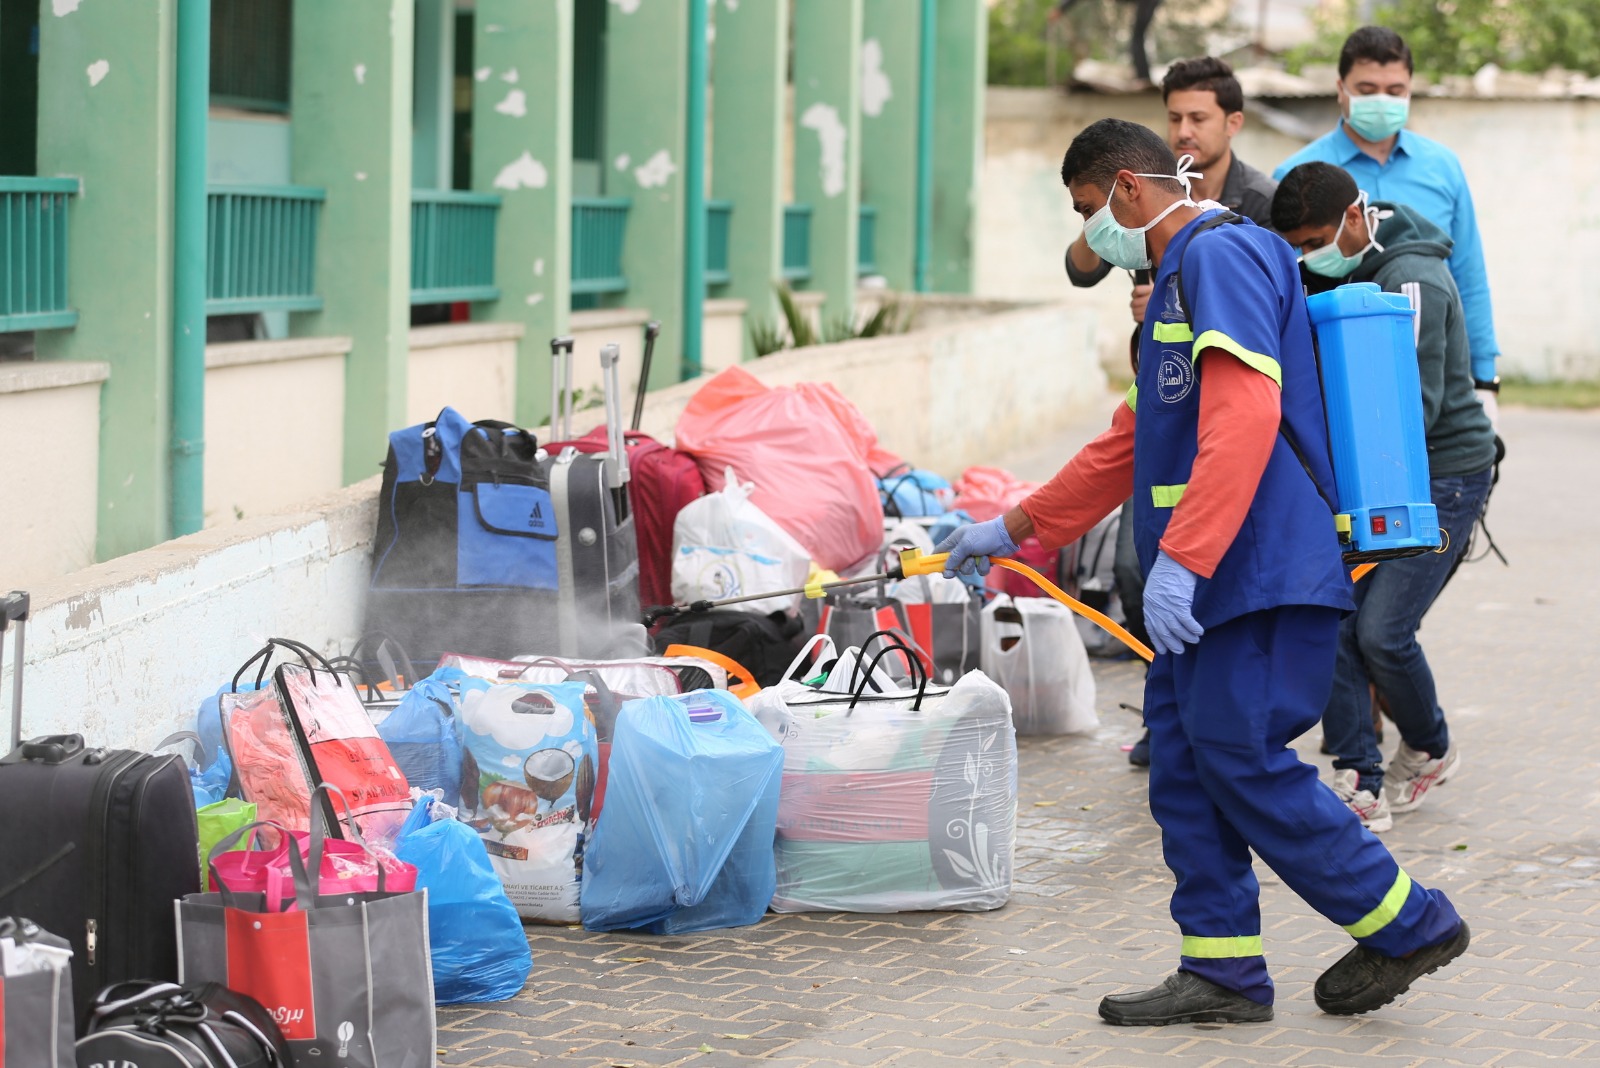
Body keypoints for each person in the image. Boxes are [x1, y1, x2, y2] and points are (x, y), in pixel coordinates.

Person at [936, 118, 1469, 1025]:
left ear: (1130, 192)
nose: (1094, 236)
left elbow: (1245, 416)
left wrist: (1181, 562)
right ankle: (1222, 969)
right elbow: (1128, 442)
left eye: (1088, 210)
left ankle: (1410, 923)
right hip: (1213, 580)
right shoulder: (1180, 279)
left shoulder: (1220, 258)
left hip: (1252, 570)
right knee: (1185, 769)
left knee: (1241, 757)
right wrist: (1015, 525)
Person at [1272, 162, 1496, 832]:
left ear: (1352, 217)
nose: (1309, 259)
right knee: (1338, 619)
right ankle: (1358, 778)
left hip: (1441, 476)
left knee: (1382, 632)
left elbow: (1409, 409)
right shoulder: (1354, 263)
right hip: (1379, 471)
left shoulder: (1412, 278)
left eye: (1315, 241)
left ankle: (1429, 745)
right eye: (1299, 249)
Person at [1273, 26, 1502, 419]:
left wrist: (1485, 378)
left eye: (1394, 91)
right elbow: (1286, 288)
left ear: (1410, 89)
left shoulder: (1442, 167)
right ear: (1340, 88)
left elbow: (1468, 272)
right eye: (1366, 89)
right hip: (1338, 373)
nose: (1381, 100)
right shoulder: (1299, 175)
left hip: (1440, 372)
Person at [1067, 56, 1278, 323]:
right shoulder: (1143, 192)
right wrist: (1096, 211)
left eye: (1198, 119)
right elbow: (1082, 273)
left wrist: (1170, 300)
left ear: (1233, 123)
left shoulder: (1265, 201)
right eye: (1175, 118)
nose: (1184, 132)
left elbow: (1269, 295)